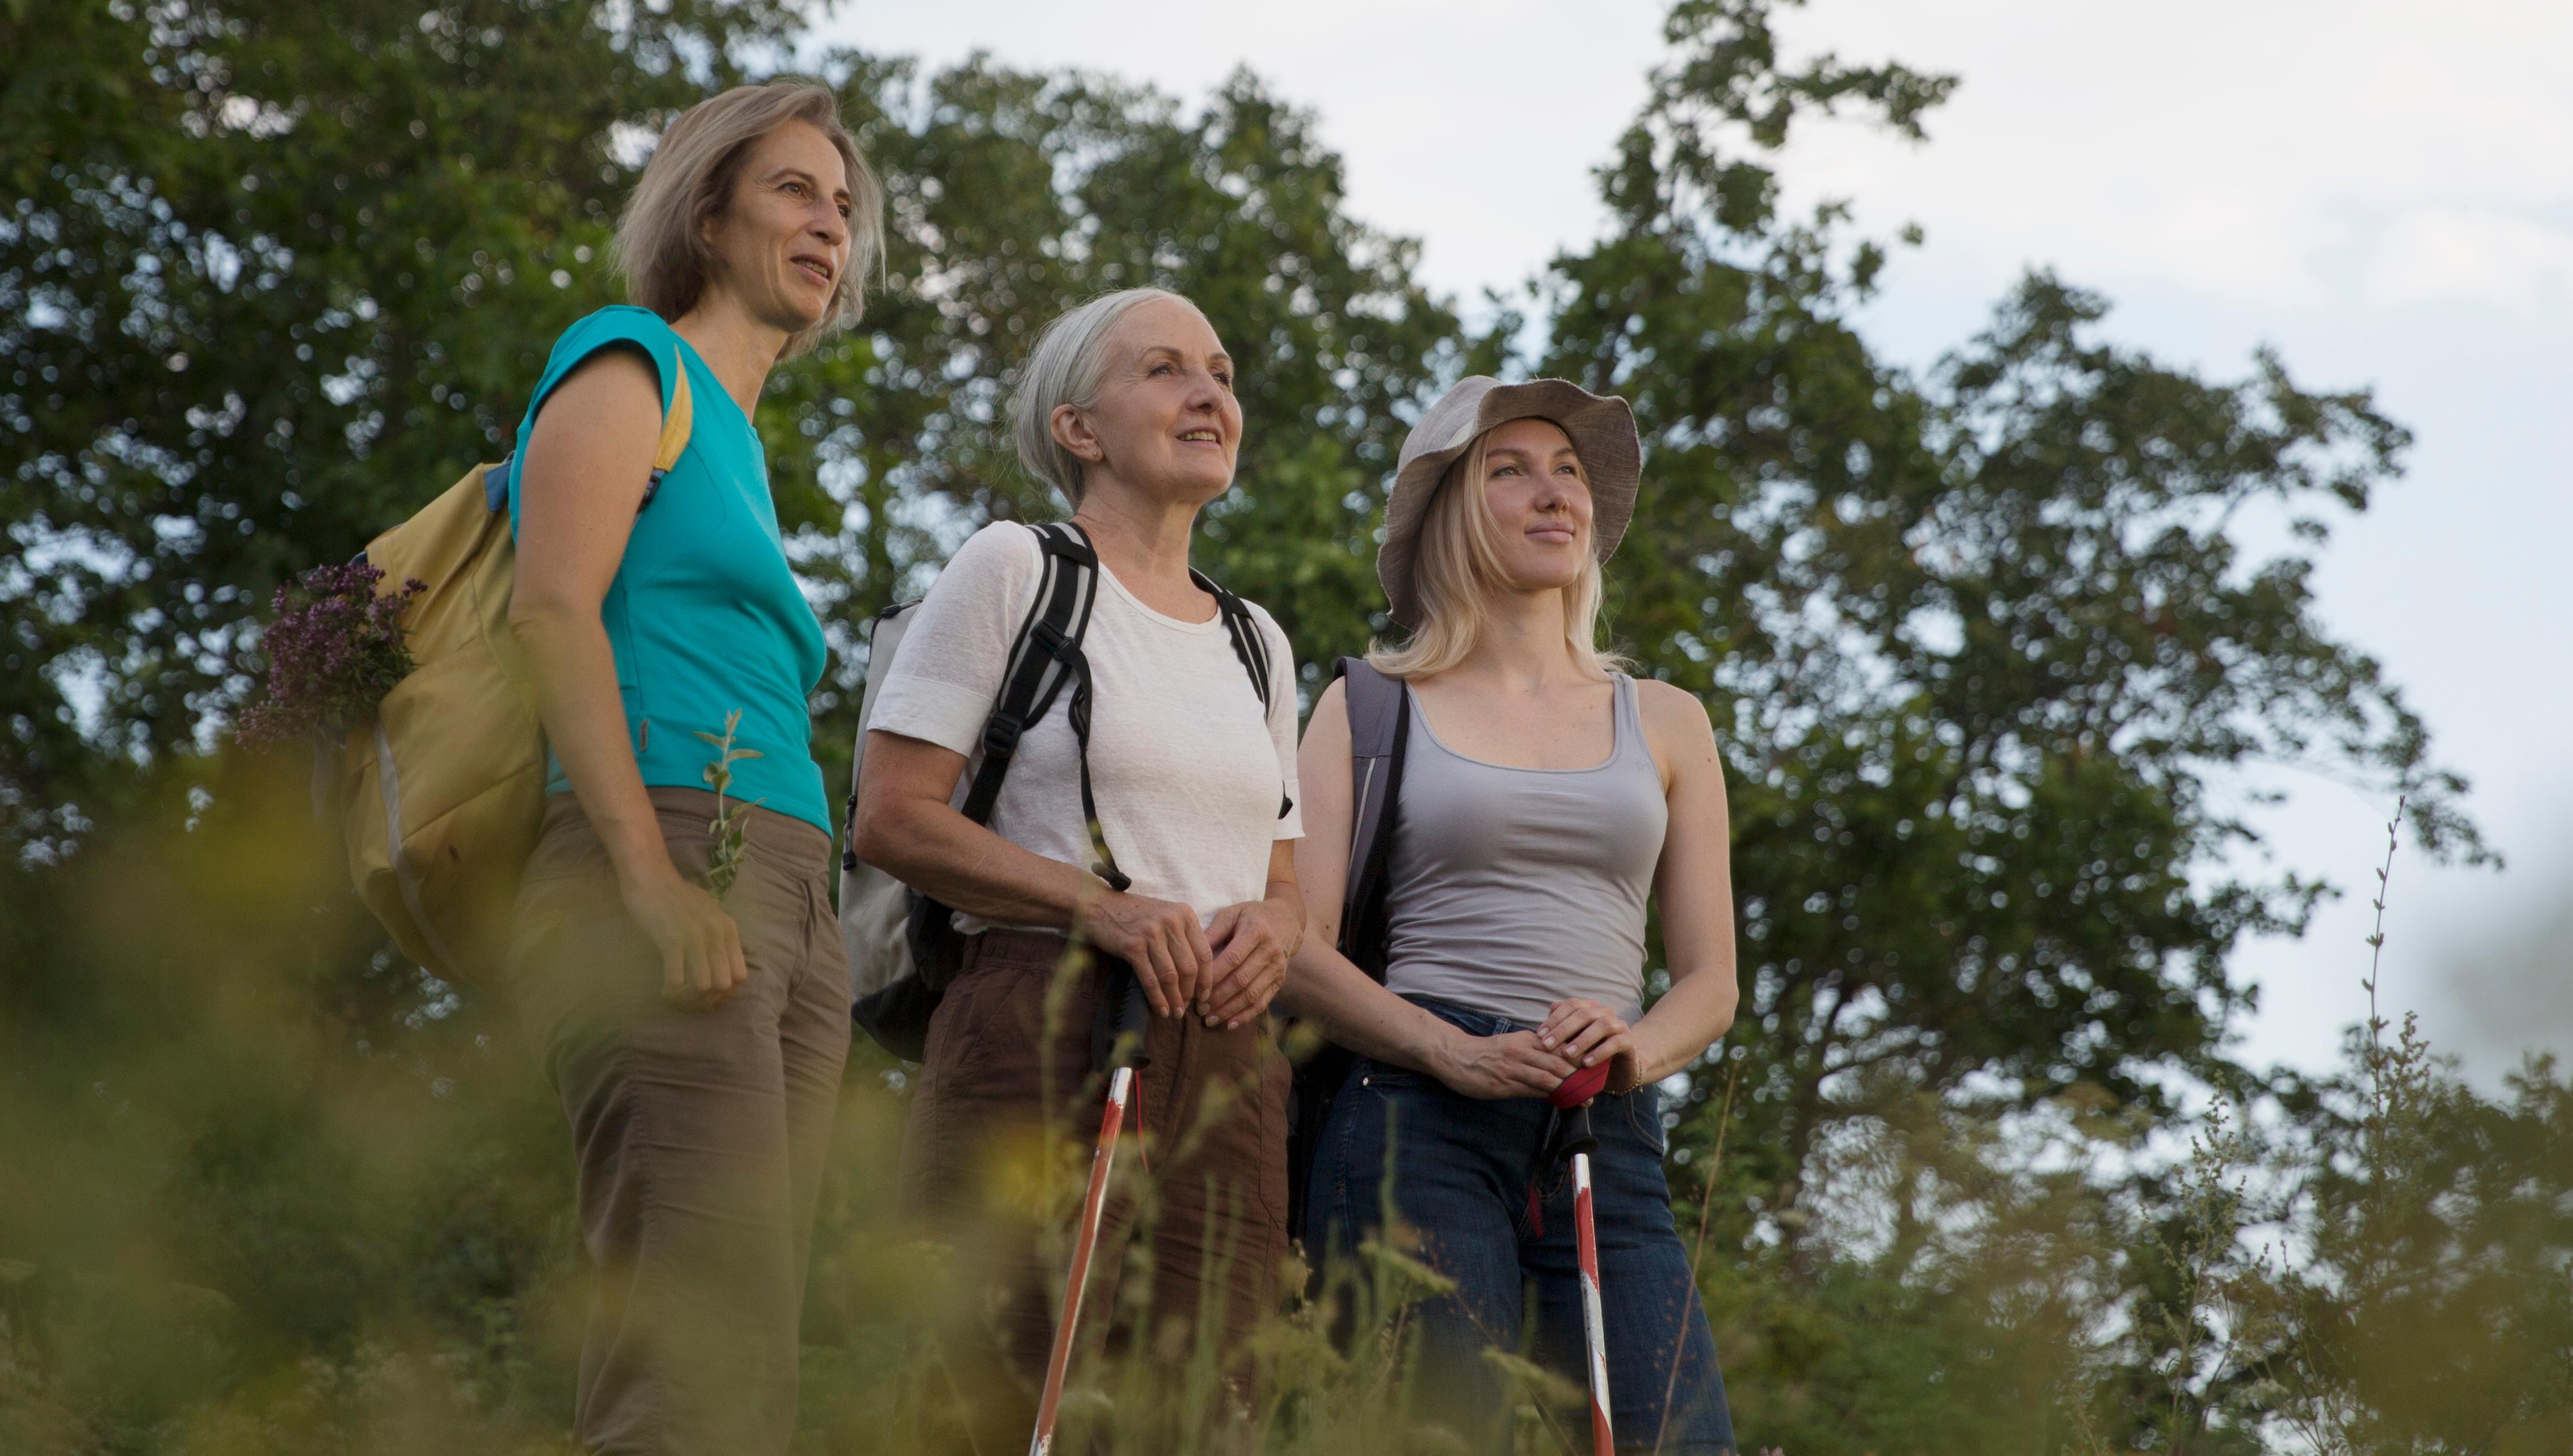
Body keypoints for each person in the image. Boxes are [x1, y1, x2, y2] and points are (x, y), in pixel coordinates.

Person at [499, 80, 885, 1455]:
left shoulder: (741, 443)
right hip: (663, 851)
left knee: (749, 1339)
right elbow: (551, 609)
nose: (826, 223)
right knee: (691, 1335)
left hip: (791, 892)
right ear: (707, 212)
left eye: (841, 204)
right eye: (792, 190)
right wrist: (649, 879)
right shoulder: (626, 366)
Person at [851, 287, 1305, 1445]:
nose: (1210, 393)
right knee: (997, 1400)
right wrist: (1095, 907)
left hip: (1229, 1060)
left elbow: (1282, 877)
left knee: (1200, 1411)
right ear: (1077, 429)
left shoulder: (1259, 642)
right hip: (1033, 1018)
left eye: (1222, 369)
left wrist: (1279, 930)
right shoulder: (1017, 567)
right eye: (1164, 369)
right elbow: (894, 820)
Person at [1281, 375, 1743, 1454]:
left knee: (1677, 1438)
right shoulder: (1365, 704)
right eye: (1511, 470)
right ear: (1448, 510)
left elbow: (1711, 981)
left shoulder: (1669, 721)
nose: (1554, 494)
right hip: (1410, 1113)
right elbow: (1294, 951)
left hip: (1603, 1127)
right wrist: (1455, 1052)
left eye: (1569, 472)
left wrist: (1629, 1050)